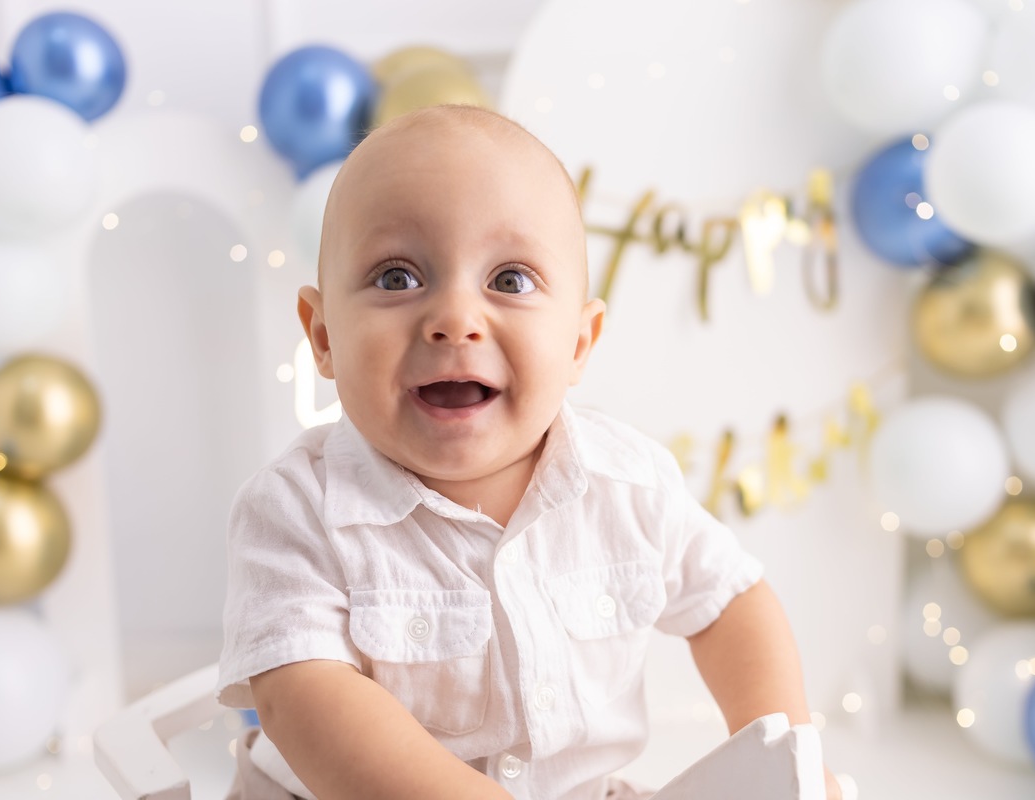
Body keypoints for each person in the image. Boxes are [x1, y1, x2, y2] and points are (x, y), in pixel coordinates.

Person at [217, 104, 841, 800]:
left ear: (579, 343)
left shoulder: (627, 482)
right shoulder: (299, 510)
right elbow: (307, 699)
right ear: (324, 336)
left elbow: (731, 603)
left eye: (509, 280)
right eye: (397, 278)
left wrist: (782, 752)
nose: (455, 319)